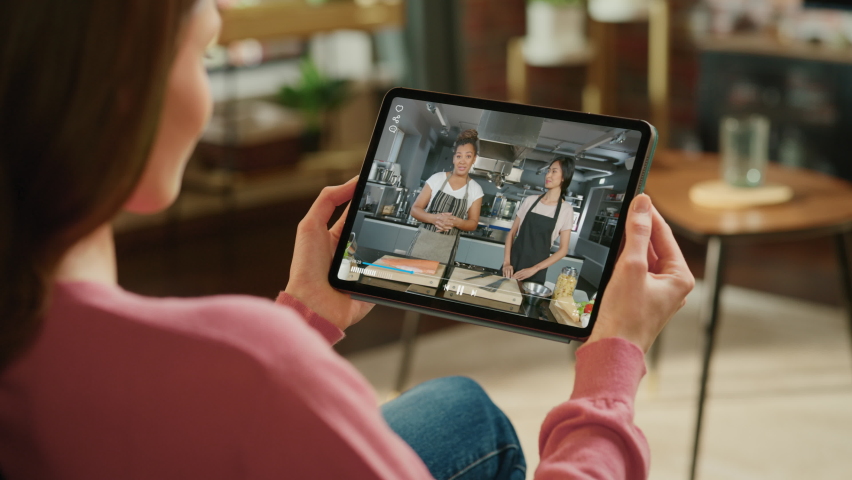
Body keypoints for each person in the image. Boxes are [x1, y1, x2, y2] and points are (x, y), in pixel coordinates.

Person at [0, 1, 695, 479]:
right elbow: (449, 217)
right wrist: (613, 363)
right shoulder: (253, 369)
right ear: (125, 93)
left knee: (463, 409)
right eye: (205, 56)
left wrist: (304, 315)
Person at [407, 129, 484, 264]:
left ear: (474, 159)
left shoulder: (476, 189)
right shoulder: (437, 178)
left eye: (468, 156)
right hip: (422, 243)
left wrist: (456, 222)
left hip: (447, 249)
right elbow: (415, 209)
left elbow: (473, 223)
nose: (462, 161)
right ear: (454, 158)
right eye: (459, 156)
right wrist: (434, 218)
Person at [503, 157, 576, 284]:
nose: (548, 175)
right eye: (548, 171)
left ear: (564, 177)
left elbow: (563, 250)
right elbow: (512, 233)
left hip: (536, 272)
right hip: (512, 266)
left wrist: (534, 269)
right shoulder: (530, 200)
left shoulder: (566, 210)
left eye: (554, 171)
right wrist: (507, 262)